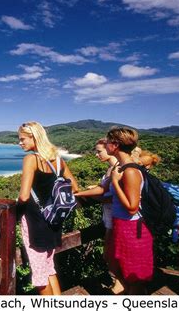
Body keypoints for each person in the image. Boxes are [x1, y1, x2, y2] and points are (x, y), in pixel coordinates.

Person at [17, 121, 78, 295]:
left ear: (34, 137)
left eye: (22, 139)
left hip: (35, 222)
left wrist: (15, 210)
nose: (20, 143)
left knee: (39, 274)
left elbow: (24, 196)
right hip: (54, 220)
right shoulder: (57, 161)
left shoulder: (31, 159)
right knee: (48, 267)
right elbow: (75, 187)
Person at [106, 127, 153, 295]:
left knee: (135, 279)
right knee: (120, 269)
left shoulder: (130, 171)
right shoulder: (123, 167)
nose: (105, 144)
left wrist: (116, 182)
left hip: (133, 229)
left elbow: (132, 208)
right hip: (122, 225)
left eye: (108, 141)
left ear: (116, 145)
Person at [74, 138, 124, 294]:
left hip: (116, 218)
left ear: (111, 149)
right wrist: (94, 189)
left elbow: (108, 195)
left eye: (99, 151)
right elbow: (106, 189)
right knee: (111, 252)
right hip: (111, 218)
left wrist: (80, 193)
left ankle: (120, 285)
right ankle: (120, 283)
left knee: (111, 253)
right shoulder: (113, 168)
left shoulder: (117, 169)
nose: (96, 155)